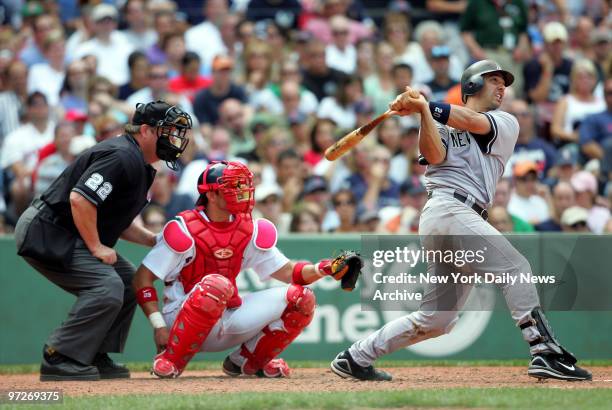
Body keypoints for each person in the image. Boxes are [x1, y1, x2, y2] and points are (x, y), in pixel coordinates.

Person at [330, 60, 592, 382]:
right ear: (471, 85)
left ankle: (356, 357)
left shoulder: (505, 122)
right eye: (494, 80)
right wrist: (423, 113)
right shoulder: (440, 122)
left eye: (503, 83)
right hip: (447, 210)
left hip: (458, 217)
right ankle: (545, 352)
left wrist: (426, 105)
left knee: (438, 319)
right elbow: (434, 155)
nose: (501, 88)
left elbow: (470, 120)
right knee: (516, 269)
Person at [14, 101, 193, 381]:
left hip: (65, 230)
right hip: (47, 230)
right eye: (168, 131)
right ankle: (60, 356)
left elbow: (116, 220)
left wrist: (154, 240)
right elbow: (81, 199)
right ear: (145, 130)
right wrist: (97, 247)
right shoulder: (121, 155)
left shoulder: (140, 163)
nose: (175, 139)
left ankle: (92, 354)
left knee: (128, 282)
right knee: (107, 285)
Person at [132, 161, 353, 378]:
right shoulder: (184, 228)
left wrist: (324, 268)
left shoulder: (248, 228)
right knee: (217, 284)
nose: (242, 193)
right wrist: (159, 326)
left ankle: (247, 362)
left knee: (301, 298)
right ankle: (171, 359)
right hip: (180, 319)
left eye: (243, 186)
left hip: (227, 313)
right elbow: (142, 279)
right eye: (233, 188)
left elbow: (289, 272)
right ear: (211, 194)